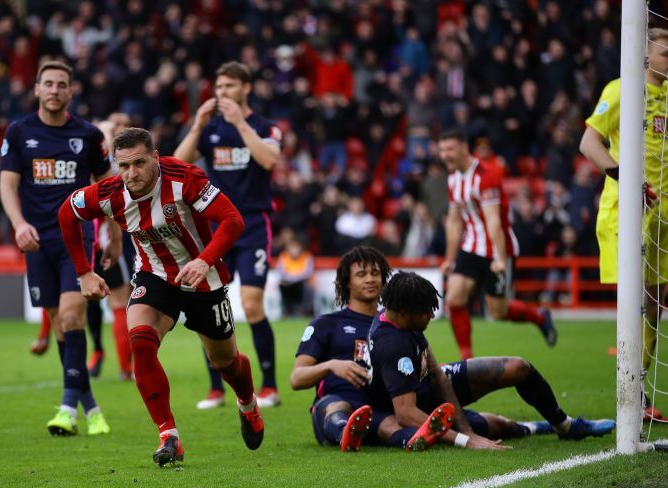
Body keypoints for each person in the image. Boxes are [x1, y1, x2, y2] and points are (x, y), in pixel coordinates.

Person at [58, 127, 265, 467]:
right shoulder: (110, 192)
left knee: (225, 362)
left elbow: (232, 220)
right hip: (154, 275)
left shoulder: (185, 178)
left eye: (139, 163)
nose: (131, 174)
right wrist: (84, 271)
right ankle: (169, 434)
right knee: (140, 339)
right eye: (123, 166)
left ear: (155, 158)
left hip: (203, 277)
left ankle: (248, 403)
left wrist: (203, 260)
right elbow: (67, 213)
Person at [291, 247, 590, 453]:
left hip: (398, 396)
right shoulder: (327, 324)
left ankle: (541, 426)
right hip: (350, 398)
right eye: (361, 274)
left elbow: (427, 364)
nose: (370, 279)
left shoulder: (398, 317)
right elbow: (297, 378)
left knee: (487, 422)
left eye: (375, 273)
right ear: (345, 281)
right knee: (339, 409)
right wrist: (332, 366)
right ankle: (346, 433)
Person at [579, 27, 668, 422]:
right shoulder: (620, 90)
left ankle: (640, 393)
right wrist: (625, 177)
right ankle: (626, 398)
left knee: (653, 307)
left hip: (663, 210)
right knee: (633, 303)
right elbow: (588, 143)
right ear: (646, 58)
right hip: (626, 209)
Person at [366, 271, 616, 451]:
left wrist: (466, 430)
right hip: (417, 405)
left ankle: (565, 426)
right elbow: (406, 413)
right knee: (497, 425)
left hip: (426, 387)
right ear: (404, 312)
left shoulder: (400, 316)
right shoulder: (393, 345)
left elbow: (436, 373)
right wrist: (467, 440)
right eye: (426, 310)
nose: (432, 314)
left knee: (518, 367)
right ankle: (538, 427)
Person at [0, 60, 112, 436]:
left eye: (61, 84)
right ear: (36, 89)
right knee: (63, 330)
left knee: (71, 316)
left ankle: (67, 409)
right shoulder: (18, 133)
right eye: (47, 83)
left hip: (77, 238)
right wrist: (19, 224)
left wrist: (114, 234)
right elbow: (8, 185)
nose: (54, 90)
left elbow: (108, 187)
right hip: (36, 242)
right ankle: (92, 407)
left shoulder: (89, 135)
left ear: (70, 91)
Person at [174, 61, 283, 409]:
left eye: (230, 87)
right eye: (219, 88)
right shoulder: (210, 130)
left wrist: (239, 123)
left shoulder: (265, 127)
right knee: (207, 305)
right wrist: (196, 127)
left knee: (251, 305)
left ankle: (269, 386)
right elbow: (177, 166)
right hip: (215, 226)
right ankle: (216, 388)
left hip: (251, 224)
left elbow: (269, 160)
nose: (223, 94)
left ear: (245, 88)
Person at [439, 129, 558, 360]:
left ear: (464, 148)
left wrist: (501, 258)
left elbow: (494, 220)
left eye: (450, 149)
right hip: (471, 246)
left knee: (498, 311)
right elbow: (454, 220)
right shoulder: (453, 178)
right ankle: (466, 357)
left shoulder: (486, 175)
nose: (445, 155)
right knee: (454, 299)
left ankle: (540, 317)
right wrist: (449, 258)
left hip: (496, 249)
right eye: (442, 150)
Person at [87, 113, 136, 381]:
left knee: (119, 301)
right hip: (104, 237)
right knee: (107, 302)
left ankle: (121, 363)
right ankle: (109, 357)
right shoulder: (102, 161)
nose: (116, 129)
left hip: (116, 237)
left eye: (122, 125)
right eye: (113, 125)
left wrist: (104, 132)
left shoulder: (126, 162)